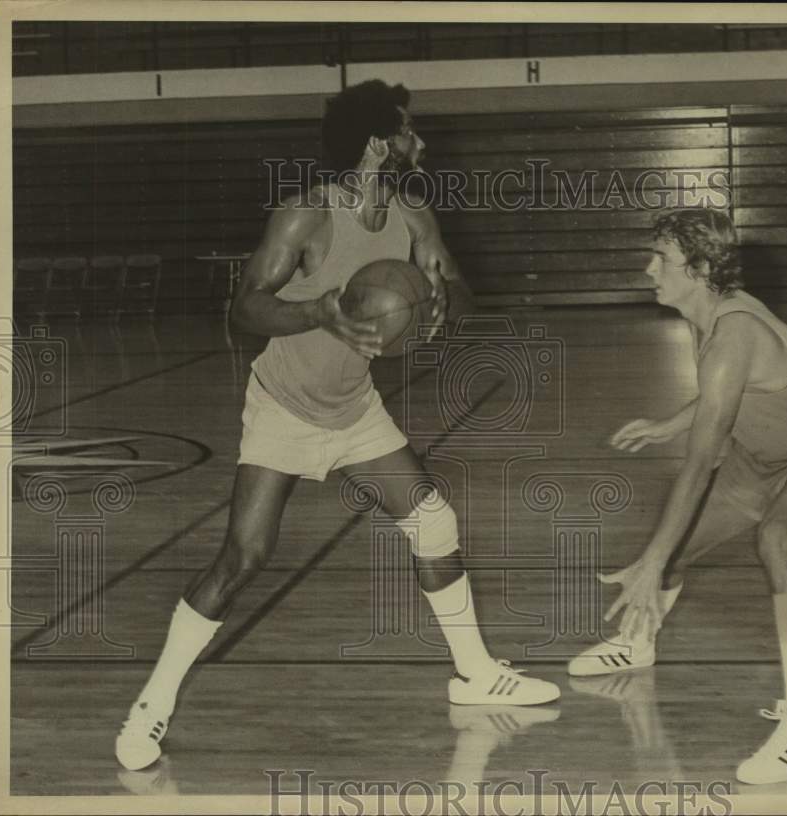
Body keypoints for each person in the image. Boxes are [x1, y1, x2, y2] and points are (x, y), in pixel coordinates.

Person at [115, 80, 559, 773]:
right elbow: (244, 311)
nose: (422, 143)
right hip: (284, 404)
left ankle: (474, 674)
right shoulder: (305, 216)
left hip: (355, 408)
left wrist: (446, 303)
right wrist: (315, 313)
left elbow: (463, 292)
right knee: (244, 557)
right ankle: (151, 707)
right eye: (410, 132)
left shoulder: (414, 215)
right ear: (380, 143)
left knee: (433, 522)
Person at [568, 208, 787, 785]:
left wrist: (648, 559)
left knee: (777, 538)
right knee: (677, 549)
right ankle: (637, 643)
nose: (649, 267)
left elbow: (703, 462)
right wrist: (671, 423)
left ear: (701, 268)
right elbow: (722, 394)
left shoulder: (734, 331)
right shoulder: (703, 313)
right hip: (760, 458)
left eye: (662, 258)